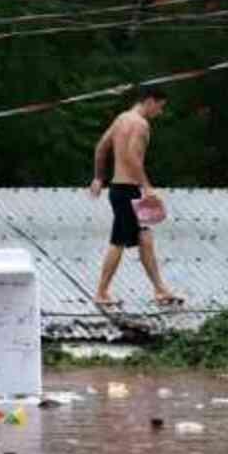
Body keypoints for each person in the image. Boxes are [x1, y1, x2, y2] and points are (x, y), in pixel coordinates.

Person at [88, 88, 182, 307]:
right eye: (159, 107)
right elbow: (131, 157)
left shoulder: (121, 119)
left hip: (121, 189)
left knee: (145, 238)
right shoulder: (140, 124)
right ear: (149, 101)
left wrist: (98, 178)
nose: (159, 112)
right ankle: (101, 292)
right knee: (118, 240)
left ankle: (160, 289)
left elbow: (101, 147)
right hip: (128, 190)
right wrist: (147, 187)